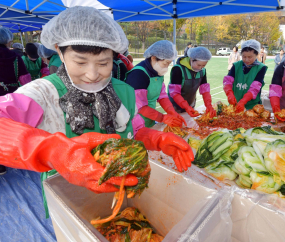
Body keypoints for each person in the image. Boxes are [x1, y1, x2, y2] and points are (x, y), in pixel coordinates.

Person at [0, 7, 194, 239]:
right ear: (59, 53)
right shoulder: (42, 93)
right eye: (80, 62)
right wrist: (53, 150)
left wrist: (157, 139)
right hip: (70, 197)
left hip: (119, 188)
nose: (92, 74)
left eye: (103, 63)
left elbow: (132, 133)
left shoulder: (123, 91)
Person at [125, 40, 187, 128]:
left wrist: (172, 112)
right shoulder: (138, 74)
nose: (166, 67)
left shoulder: (157, 72)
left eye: (168, 64)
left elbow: (162, 96)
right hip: (134, 123)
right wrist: (162, 118)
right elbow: (139, 106)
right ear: (153, 58)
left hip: (149, 119)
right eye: (165, 63)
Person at [0, 27, 31, 176]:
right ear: (7, 40)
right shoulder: (15, 57)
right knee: (13, 127)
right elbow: (25, 80)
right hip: (11, 97)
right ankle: (16, 157)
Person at [168, 47, 216, 118]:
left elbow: (205, 90)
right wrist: (186, 106)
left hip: (190, 103)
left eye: (203, 65)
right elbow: (174, 93)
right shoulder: (178, 69)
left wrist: (208, 105)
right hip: (175, 105)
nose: (200, 68)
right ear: (191, 59)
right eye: (198, 65)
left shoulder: (202, 71)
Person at [223, 39, 268, 112]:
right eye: (244, 57)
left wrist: (243, 101)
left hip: (252, 107)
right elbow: (227, 81)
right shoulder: (236, 65)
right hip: (235, 105)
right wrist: (229, 93)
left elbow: (255, 88)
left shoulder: (261, 68)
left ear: (257, 55)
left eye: (250, 57)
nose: (247, 60)